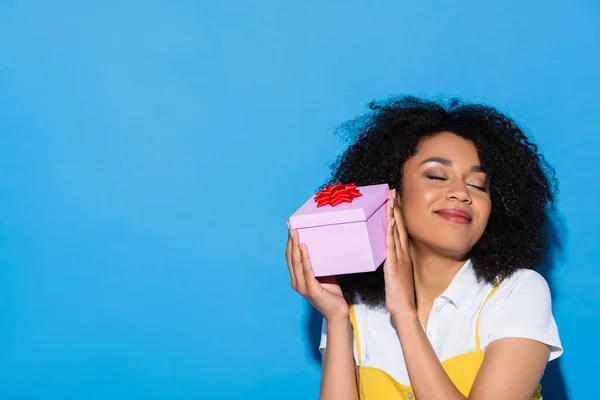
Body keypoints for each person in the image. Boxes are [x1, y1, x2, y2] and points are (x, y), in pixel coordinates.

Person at [285, 96, 563, 400]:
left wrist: (405, 314)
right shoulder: (354, 305)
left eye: (478, 185)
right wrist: (337, 319)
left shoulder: (519, 291)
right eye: (436, 176)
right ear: (392, 195)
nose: (460, 193)